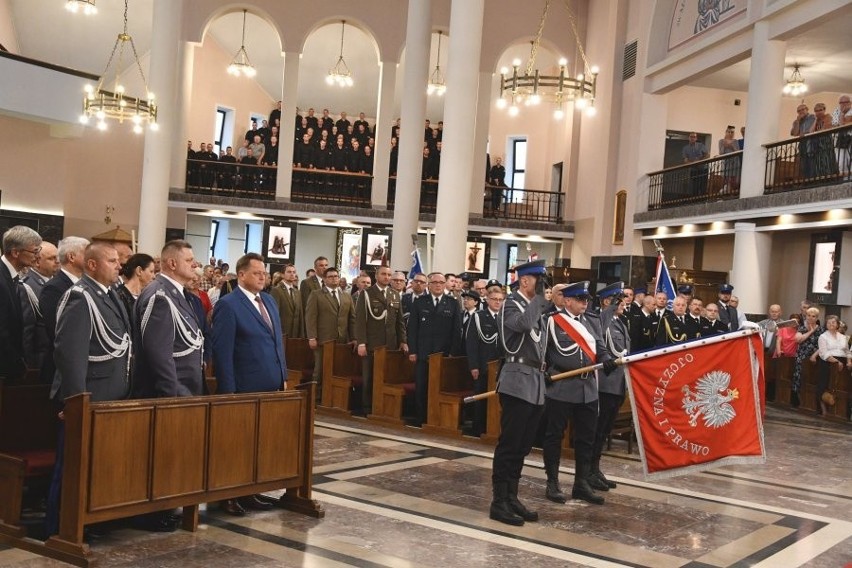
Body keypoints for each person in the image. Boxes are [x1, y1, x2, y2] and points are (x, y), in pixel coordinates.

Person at [47, 243, 133, 535]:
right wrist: (75, 402)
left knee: (98, 464)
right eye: (111, 261)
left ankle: (90, 520)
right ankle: (61, 525)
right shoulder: (80, 297)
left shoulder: (109, 294)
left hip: (110, 394)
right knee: (73, 465)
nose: (119, 265)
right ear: (92, 265)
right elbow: (70, 356)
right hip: (90, 396)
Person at [211, 252, 287, 516]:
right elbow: (223, 352)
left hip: (270, 386)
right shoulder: (229, 305)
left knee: (257, 444)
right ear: (241, 275)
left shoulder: (268, 300)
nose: (262, 276)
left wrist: (283, 377)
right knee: (235, 445)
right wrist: (229, 391)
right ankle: (228, 495)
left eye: (264, 273)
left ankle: (250, 491)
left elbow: (277, 341)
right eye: (257, 272)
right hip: (243, 387)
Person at [542, 281, 617, 508]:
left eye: (586, 300)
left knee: (586, 438)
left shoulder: (591, 321)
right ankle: (552, 482)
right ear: (567, 301)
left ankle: (581, 483)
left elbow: (600, 348)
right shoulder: (552, 321)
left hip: (588, 389)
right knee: (554, 436)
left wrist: (606, 360)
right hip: (561, 387)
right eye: (580, 300)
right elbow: (542, 351)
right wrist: (543, 371)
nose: (585, 304)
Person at [488, 260, 548, 526]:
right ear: (525, 281)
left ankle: (512, 496)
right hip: (516, 380)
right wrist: (541, 301)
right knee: (510, 444)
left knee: (523, 445)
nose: (542, 286)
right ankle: (498, 501)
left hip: (534, 382)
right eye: (539, 280)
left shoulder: (534, 307)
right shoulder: (511, 304)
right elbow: (524, 325)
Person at [133, 241, 204, 399]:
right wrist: (172, 397)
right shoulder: (160, 297)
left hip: (187, 391)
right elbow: (159, 357)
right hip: (173, 394)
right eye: (189, 260)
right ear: (172, 263)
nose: (195, 265)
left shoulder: (176, 293)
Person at [407, 272, 462, 427]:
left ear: (445, 285)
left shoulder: (452, 303)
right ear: (429, 285)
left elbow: (456, 331)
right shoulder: (420, 302)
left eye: (441, 282)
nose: (438, 285)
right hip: (423, 354)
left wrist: (452, 352)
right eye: (435, 282)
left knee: (439, 388)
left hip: (443, 355)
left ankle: (436, 419)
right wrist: (413, 351)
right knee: (421, 387)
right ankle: (421, 419)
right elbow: (412, 329)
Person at [592, 283, 630, 492]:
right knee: (598, 430)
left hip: (618, 383)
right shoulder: (602, 320)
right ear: (607, 301)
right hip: (605, 384)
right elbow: (600, 334)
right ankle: (590, 470)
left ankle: (595, 469)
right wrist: (609, 307)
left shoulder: (620, 322)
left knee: (605, 430)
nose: (623, 303)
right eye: (617, 299)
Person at [354, 266, 407, 415]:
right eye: (383, 274)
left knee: (385, 377)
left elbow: (399, 321)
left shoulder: (394, 294)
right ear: (376, 276)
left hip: (389, 344)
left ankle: (381, 407)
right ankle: (366, 407)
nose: (386, 277)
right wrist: (362, 342)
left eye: (389, 274)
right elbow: (360, 320)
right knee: (369, 377)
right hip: (372, 343)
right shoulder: (366, 294)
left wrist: (403, 341)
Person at [305, 266, 356, 400]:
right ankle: (315, 397)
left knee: (337, 369)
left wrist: (354, 337)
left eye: (336, 276)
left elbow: (352, 319)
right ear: (324, 279)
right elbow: (310, 317)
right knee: (320, 369)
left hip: (341, 340)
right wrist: (312, 337)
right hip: (323, 339)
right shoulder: (316, 295)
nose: (334, 279)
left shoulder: (346, 296)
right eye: (330, 277)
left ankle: (331, 397)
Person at [0, 225, 42, 382]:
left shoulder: (9, 276)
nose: (38, 256)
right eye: (34, 251)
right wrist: (16, 363)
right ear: (15, 252)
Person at [465, 288, 504, 437]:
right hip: (482, 366)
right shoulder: (478, 317)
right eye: (494, 299)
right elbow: (472, 343)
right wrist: (473, 366)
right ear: (487, 300)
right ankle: (478, 429)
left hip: (500, 367)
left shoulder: (504, 317)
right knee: (480, 398)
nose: (497, 302)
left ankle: (493, 429)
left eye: (500, 299)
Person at [814, 315, 850, 416]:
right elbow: (824, 353)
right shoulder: (823, 337)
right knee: (824, 385)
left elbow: (847, 351)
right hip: (827, 362)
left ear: (838, 324)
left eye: (833, 322)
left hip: (842, 361)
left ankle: (840, 412)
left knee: (841, 386)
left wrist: (849, 361)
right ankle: (823, 410)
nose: (831, 324)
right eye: (828, 323)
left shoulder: (843, 337)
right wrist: (836, 362)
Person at [115, 253, 156, 329]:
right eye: (151, 271)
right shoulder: (119, 296)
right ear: (139, 271)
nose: (154, 276)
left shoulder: (147, 296)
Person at [792, 307, 822, 408]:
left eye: (813, 316)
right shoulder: (802, 327)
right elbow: (798, 340)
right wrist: (810, 332)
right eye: (808, 315)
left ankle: (810, 404)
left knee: (812, 379)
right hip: (801, 356)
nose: (810, 318)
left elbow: (823, 345)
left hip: (814, 357)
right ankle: (800, 402)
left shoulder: (821, 329)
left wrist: (815, 355)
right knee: (799, 378)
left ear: (817, 317)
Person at [270, 263, 305, 338]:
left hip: (295, 333)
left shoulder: (297, 292)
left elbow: (300, 314)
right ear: (282, 275)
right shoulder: (276, 290)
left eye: (294, 272)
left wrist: (302, 334)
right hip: (282, 332)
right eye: (289, 272)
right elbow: (274, 314)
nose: (292, 274)